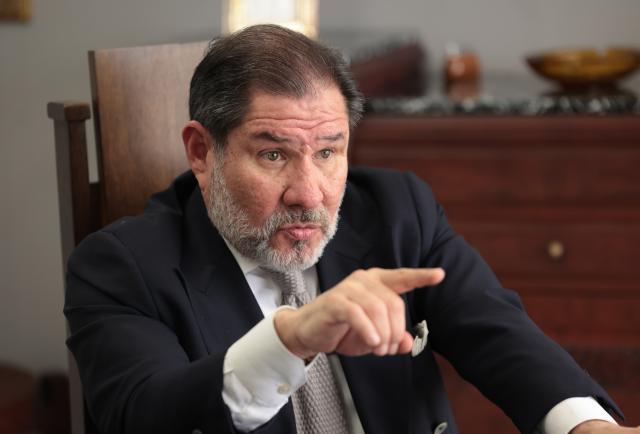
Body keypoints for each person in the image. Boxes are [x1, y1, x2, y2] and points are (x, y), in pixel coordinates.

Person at [64, 24, 635, 434]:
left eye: (328, 152)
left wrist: (584, 425)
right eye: (272, 155)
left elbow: (496, 331)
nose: (309, 193)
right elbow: (144, 413)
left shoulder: (396, 210)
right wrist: (293, 339)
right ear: (201, 152)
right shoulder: (121, 268)